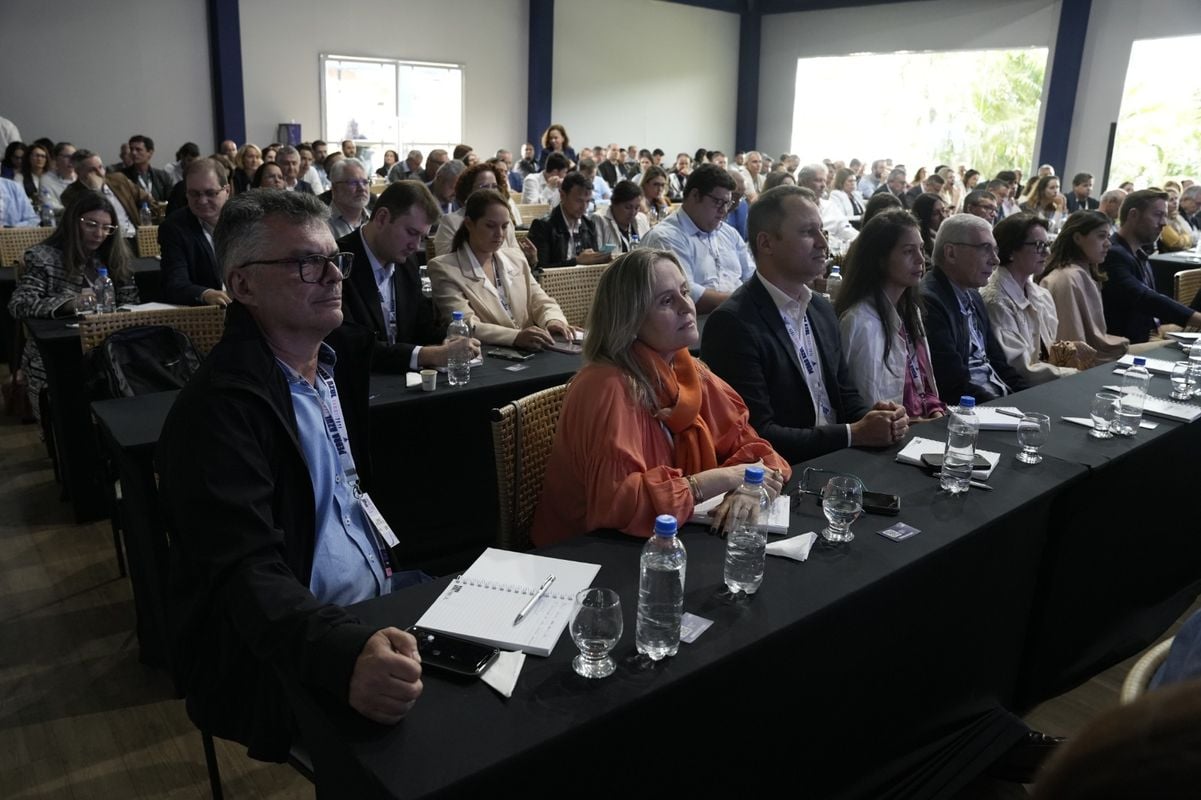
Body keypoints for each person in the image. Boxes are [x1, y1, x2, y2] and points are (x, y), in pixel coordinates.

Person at [156, 189, 424, 763]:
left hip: (375, 600)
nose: (334, 276)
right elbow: (244, 573)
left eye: (335, 259)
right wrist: (342, 652)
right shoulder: (218, 412)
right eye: (307, 263)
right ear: (243, 284)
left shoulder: (330, 364)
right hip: (286, 645)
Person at [530, 249, 790, 546]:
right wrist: (723, 479)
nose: (686, 307)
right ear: (629, 320)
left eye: (684, 292)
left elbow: (756, 449)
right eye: (666, 301)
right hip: (588, 552)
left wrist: (750, 487)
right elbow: (617, 504)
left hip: (667, 537)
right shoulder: (608, 386)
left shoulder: (688, 370)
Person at [701, 186, 908, 464]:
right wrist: (853, 434)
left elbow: (845, 395)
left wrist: (877, 418)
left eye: (821, 230)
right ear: (766, 243)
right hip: (783, 473)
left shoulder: (821, 309)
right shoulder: (733, 323)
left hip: (840, 458)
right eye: (808, 232)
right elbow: (756, 435)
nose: (823, 242)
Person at [8, 191, 138, 419]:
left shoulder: (113, 256)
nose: (99, 234)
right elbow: (19, 304)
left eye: (107, 228)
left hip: (109, 348)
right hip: (60, 353)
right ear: (73, 221)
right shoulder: (42, 257)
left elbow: (131, 301)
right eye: (91, 225)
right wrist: (69, 304)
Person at [339, 180, 477, 373]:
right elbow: (349, 344)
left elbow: (421, 327)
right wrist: (428, 355)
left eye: (422, 237)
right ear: (382, 218)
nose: (416, 246)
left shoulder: (406, 261)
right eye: (411, 233)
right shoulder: (338, 262)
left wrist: (449, 340)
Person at [835, 209, 946, 421]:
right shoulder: (860, 322)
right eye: (908, 251)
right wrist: (920, 423)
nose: (921, 259)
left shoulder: (910, 310)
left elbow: (923, 385)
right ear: (880, 259)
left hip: (921, 424)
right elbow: (868, 410)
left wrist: (935, 412)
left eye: (921, 249)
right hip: (892, 433)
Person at [428, 189, 571, 349]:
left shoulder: (516, 258)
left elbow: (540, 300)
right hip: (486, 353)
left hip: (530, 349)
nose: (499, 234)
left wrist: (553, 321)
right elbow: (465, 324)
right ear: (469, 224)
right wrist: (515, 337)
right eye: (490, 226)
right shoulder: (444, 268)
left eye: (504, 226)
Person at [921, 213, 1027, 403]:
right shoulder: (930, 302)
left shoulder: (973, 295)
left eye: (995, 250)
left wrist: (1028, 398)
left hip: (1000, 400)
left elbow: (1000, 363)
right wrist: (1009, 409)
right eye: (985, 249)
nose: (995, 260)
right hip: (972, 409)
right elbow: (952, 385)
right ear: (951, 253)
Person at [981, 213, 1090, 386]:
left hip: (1043, 385)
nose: (1047, 252)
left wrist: (1069, 350)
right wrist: (1074, 374)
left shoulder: (1041, 295)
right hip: (1016, 390)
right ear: (1011, 251)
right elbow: (1019, 369)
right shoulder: (996, 301)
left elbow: (1045, 352)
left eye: (1048, 244)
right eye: (1039, 245)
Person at [640, 164, 754, 314]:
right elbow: (687, 296)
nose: (724, 210)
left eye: (727, 203)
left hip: (739, 318)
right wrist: (745, 302)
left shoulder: (729, 233)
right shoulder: (666, 238)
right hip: (696, 324)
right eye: (718, 202)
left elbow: (751, 275)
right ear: (695, 196)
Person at [1100, 189, 1201, 343]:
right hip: (1123, 345)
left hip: (1146, 335)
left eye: (1165, 216)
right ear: (1133, 215)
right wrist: (1195, 318)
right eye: (1158, 215)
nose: (1164, 223)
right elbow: (1144, 297)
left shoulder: (1138, 253)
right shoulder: (1112, 254)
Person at [1037, 210, 1131, 363]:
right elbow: (1073, 349)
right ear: (1077, 238)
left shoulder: (1080, 273)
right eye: (1101, 236)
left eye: (1108, 237)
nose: (1108, 243)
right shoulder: (1067, 279)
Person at [158, 158, 230, 306]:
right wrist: (206, 294)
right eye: (194, 194)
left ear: (227, 191)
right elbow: (175, 284)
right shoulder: (174, 228)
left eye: (210, 193)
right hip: (206, 312)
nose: (202, 201)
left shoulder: (245, 220)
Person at [433, 161, 524, 257]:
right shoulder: (451, 222)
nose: (491, 191)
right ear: (468, 190)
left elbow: (516, 255)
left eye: (494, 186)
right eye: (484, 187)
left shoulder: (504, 220)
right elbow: (445, 259)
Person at [61, 149, 149, 241]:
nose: (100, 173)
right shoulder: (70, 194)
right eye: (92, 170)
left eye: (100, 167)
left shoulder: (119, 179)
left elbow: (146, 199)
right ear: (79, 172)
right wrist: (95, 191)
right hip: (103, 241)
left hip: (134, 236)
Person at [527, 171, 609, 268]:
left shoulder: (588, 225)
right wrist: (576, 261)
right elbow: (541, 270)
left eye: (588, 201)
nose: (584, 207)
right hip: (556, 278)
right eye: (579, 201)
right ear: (562, 196)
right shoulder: (543, 227)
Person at [592, 180, 650, 254]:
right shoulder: (599, 219)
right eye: (628, 207)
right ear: (614, 203)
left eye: (637, 208)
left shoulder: (642, 219)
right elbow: (597, 254)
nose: (633, 213)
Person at [325, 158, 373, 239]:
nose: (362, 188)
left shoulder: (375, 220)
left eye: (365, 182)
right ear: (335, 188)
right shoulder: (321, 224)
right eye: (353, 183)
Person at [122, 134, 173, 203]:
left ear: (150, 153)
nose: (134, 153)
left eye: (138, 149)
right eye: (131, 149)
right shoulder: (123, 176)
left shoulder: (163, 176)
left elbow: (170, 201)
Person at [38, 142, 77, 213]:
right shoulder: (46, 179)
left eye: (74, 157)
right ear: (56, 158)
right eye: (68, 157)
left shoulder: (81, 177)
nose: (72, 160)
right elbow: (48, 204)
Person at [911, 192, 950, 260]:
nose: (943, 216)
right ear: (924, 217)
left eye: (943, 210)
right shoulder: (920, 243)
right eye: (935, 213)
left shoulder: (947, 234)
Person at [1159, 187, 1199, 251]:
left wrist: (1187, 238)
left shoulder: (1178, 217)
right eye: (1171, 200)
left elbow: (1192, 235)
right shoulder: (1161, 220)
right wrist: (1190, 238)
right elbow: (1177, 243)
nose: (1175, 202)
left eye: (1176, 198)